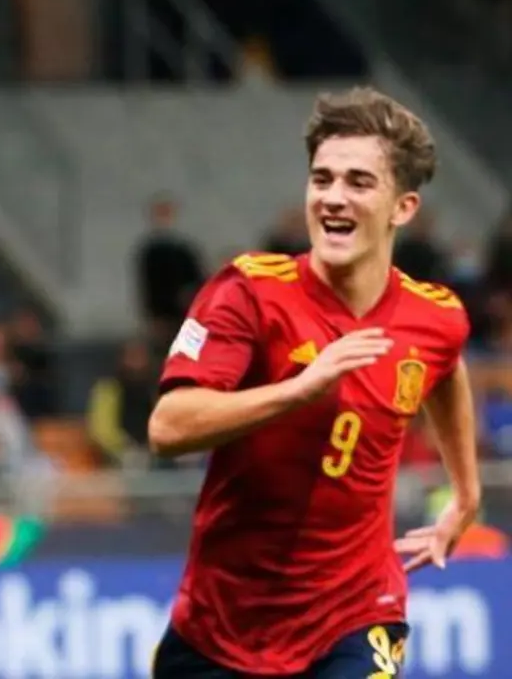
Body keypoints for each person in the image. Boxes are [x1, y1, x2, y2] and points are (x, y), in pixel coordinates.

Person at [147, 87, 479, 677]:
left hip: (357, 615)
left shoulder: (436, 315)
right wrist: (297, 391)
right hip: (222, 628)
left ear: (402, 208)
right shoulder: (247, 291)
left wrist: (466, 495)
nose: (333, 197)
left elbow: (447, 371)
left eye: (357, 182)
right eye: (321, 179)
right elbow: (167, 427)